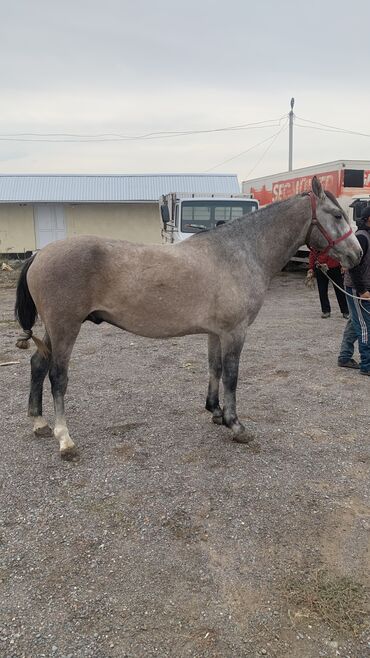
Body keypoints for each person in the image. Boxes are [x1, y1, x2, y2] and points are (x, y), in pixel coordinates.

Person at [342, 205, 370, 375]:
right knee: (365, 325)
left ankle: (344, 357)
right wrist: (362, 290)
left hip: (364, 286)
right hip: (357, 287)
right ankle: (367, 365)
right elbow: (353, 265)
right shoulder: (362, 237)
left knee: (355, 322)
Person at [306, 249, 349, 319]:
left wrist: (343, 265)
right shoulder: (317, 241)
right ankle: (325, 311)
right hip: (321, 268)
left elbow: (341, 251)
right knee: (322, 290)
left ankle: (345, 311)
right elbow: (312, 253)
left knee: (340, 290)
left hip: (335, 267)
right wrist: (311, 268)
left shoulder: (334, 239)